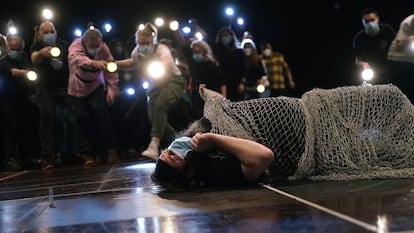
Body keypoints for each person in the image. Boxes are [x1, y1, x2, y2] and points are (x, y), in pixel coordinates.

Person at [152, 84, 414, 190]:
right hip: (311, 139)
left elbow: (230, 115)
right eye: (170, 159)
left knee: (384, 99)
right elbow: (263, 157)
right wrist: (214, 140)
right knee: (373, 144)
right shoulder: (214, 170)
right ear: (184, 174)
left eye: (166, 150)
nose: (171, 151)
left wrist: (213, 99)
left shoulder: (198, 142)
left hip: (308, 108)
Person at [116, 23, 187, 160]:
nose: (144, 45)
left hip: (174, 80)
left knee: (161, 105)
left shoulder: (162, 49)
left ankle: (154, 145)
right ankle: (181, 142)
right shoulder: (137, 51)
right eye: (141, 42)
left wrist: (158, 66)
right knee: (154, 116)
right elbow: (132, 62)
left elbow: (166, 62)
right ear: (137, 41)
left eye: (147, 42)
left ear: (153, 40)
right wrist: (113, 63)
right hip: (156, 83)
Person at [67, 26, 120, 165]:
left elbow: (111, 68)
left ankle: (111, 149)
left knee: (100, 111)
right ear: (85, 43)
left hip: (96, 85)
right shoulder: (76, 46)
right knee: (81, 118)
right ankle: (97, 151)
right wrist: (93, 63)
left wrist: (112, 90)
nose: (96, 48)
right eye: (92, 46)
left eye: (98, 45)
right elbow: (76, 59)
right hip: (77, 87)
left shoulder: (103, 48)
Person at [30, 21, 79, 169]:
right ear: (39, 34)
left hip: (65, 87)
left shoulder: (65, 44)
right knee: (47, 118)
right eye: (45, 32)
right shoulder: (37, 47)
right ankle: (48, 156)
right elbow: (34, 58)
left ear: (56, 32)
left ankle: (78, 153)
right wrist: (42, 53)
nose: (48, 34)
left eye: (51, 31)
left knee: (74, 119)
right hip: (45, 88)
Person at [0, 35, 38, 171]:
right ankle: (9, 159)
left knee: (27, 126)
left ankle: (26, 157)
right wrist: (25, 73)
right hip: (7, 100)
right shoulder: (3, 61)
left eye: (19, 48)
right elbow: (12, 72)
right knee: (11, 128)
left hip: (23, 98)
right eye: (13, 48)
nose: (16, 50)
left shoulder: (23, 57)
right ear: (7, 47)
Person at [353, 7, 396, 84]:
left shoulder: (387, 29)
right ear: (362, 22)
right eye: (366, 21)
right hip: (372, 72)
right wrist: (364, 64)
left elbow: (396, 44)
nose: (370, 23)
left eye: (372, 20)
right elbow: (358, 59)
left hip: (390, 68)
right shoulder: (359, 38)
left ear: (377, 19)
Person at [387, 14, 414, 103]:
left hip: (411, 60)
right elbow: (399, 46)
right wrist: (409, 40)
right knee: (402, 97)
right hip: (398, 60)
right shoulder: (408, 22)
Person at [213, 27, 245, 101]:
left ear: (231, 36)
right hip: (222, 85)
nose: (224, 38)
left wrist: (242, 83)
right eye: (222, 36)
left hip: (237, 84)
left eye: (226, 35)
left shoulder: (239, 52)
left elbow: (244, 68)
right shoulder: (218, 52)